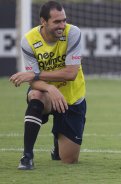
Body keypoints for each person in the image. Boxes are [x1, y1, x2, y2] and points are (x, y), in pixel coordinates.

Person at [9, 1, 86, 170]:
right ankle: (27, 156)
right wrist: (50, 88)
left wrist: (34, 75)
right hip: (46, 93)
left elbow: (70, 73)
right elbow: (34, 82)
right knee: (36, 95)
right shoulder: (29, 40)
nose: (62, 25)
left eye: (64, 20)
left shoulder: (73, 33)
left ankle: (57, 143)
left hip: (72, 97)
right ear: (43, 21)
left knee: (69, 160)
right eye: (57, 22)